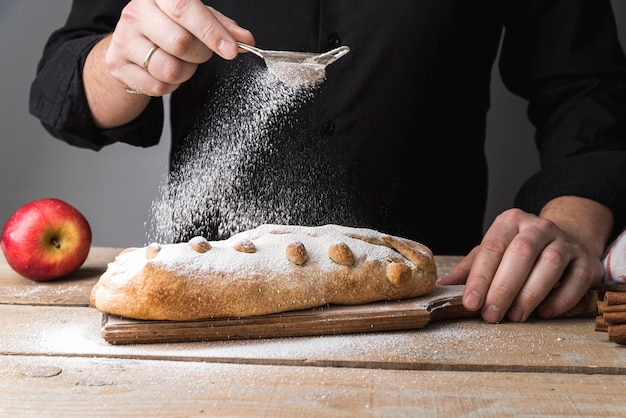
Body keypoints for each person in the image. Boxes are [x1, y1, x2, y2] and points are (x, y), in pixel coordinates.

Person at [29, 0, 626, 324]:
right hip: (197, 301)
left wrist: (576, 222)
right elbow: (64, 84)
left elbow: (586, 86)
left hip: (433, 301)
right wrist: (123, 59)